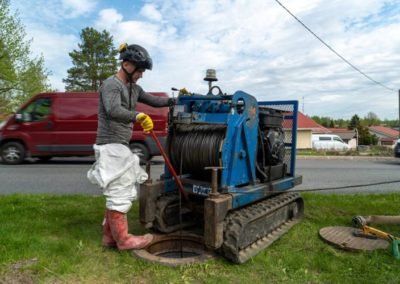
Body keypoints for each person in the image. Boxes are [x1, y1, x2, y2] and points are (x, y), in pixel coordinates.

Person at [87, 43, 175, 250]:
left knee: (117, 189)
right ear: (126, 65)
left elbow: (154, 101)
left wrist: (178, 99)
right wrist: (138, 115)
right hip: (110, 145)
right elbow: (112, 110)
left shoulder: (134, 88)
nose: (142, 75)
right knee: (120, 190)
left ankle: (109, 237)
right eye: (140, 70)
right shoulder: (111, 85)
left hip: (119, 145)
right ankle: (124, 240)